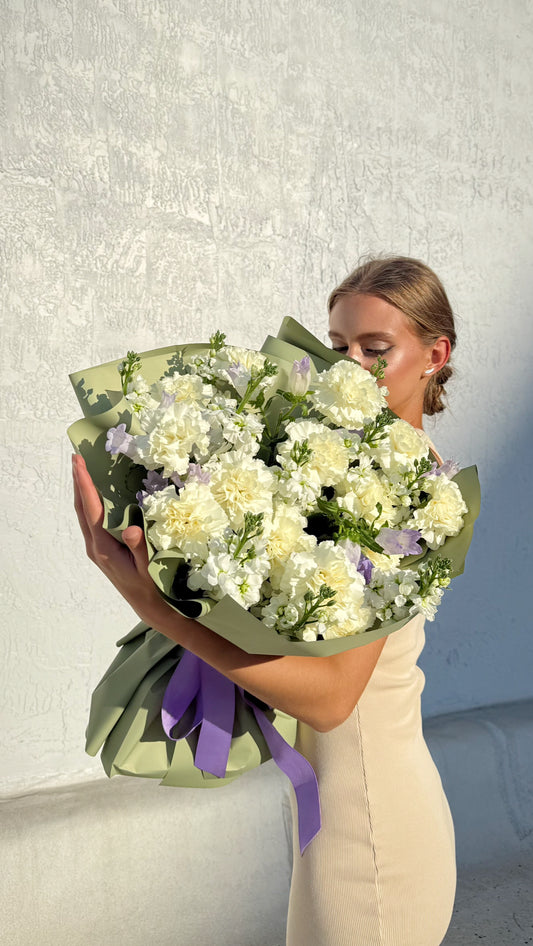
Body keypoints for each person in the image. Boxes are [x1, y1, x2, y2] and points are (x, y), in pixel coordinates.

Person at [72, 255, 457, 946]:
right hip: (343, 813)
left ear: (434, 356)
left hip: (371, 837)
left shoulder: (409, 500)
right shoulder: (348, 473)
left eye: (376, 349)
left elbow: (331, 701)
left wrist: (155, 607)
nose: (349, 366)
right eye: (338, 345)